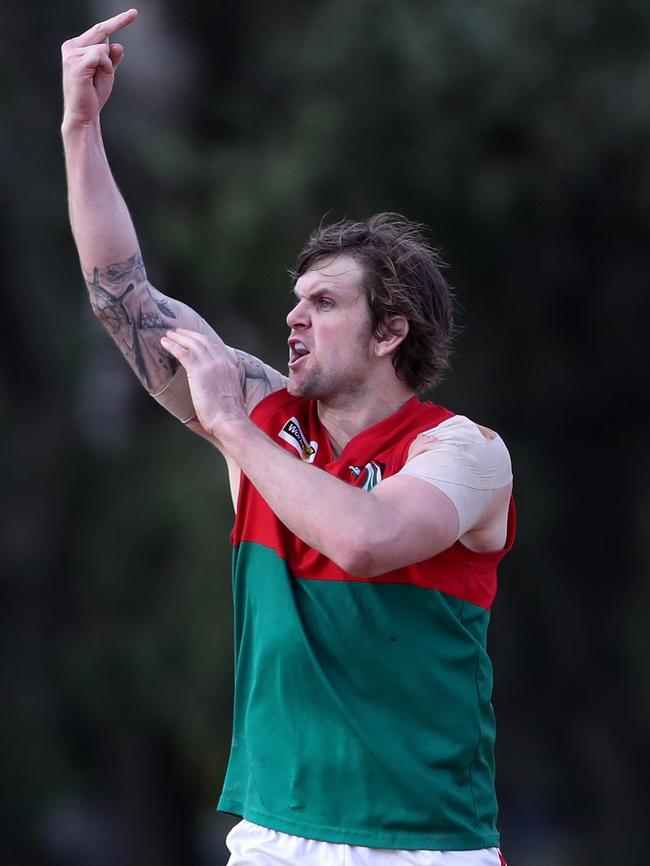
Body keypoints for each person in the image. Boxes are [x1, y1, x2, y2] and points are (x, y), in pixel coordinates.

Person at [61, 10, 514, 866]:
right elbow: (123, 297)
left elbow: (366, 540)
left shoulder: (463, 451)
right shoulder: (268, 420)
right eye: (295, 299)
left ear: (390, 333)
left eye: (324, 304)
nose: (291, 320)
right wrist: (81, 130)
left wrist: (229, 424)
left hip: (422, 844)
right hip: (274, 835)